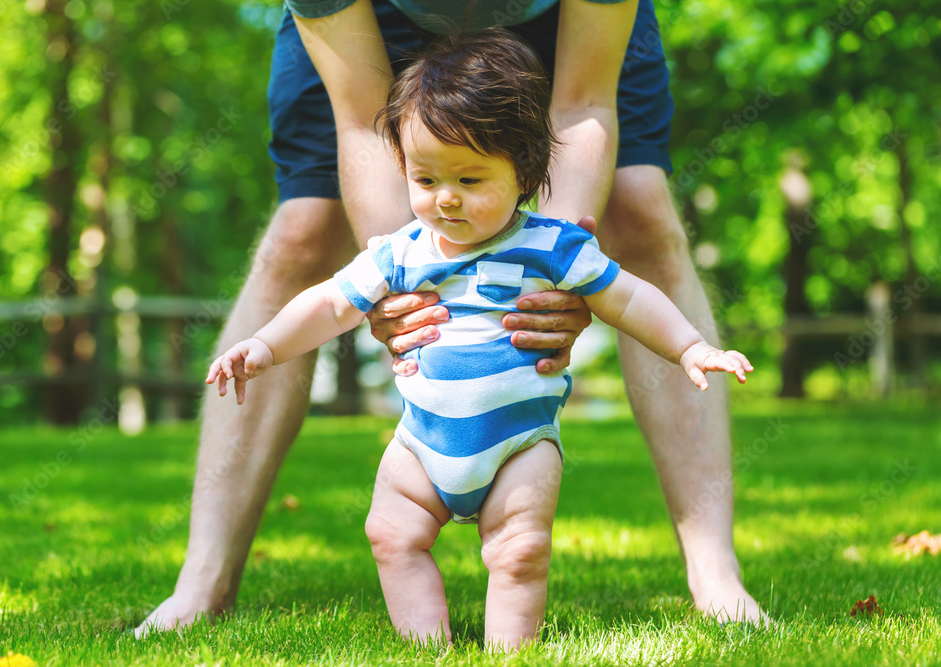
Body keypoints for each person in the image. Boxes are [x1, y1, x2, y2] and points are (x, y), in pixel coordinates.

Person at [136, 0, 769, 638]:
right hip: (362, 31)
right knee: (302, 233)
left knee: (642, 210)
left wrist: (559, 266)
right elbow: (363, 121)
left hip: (569, 30)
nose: (444, 196)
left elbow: (581, 103)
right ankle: (204, 576)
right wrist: (393, 282)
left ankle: (715, 571)